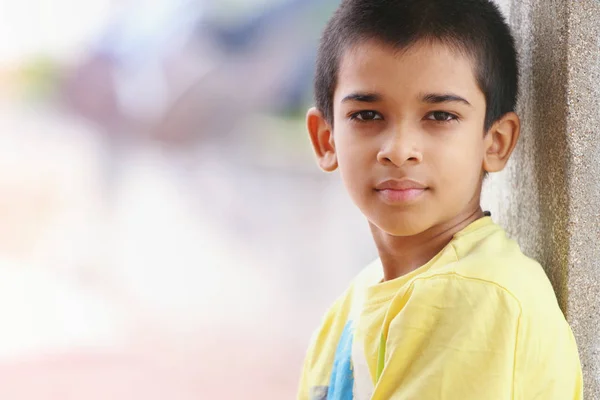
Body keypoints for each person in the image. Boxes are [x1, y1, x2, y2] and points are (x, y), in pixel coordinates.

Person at [297, 0, 583, 399]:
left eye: (440, 116)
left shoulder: (478, 297)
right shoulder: (352, 305)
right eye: (367, 115)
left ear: (495, 142)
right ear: (325, 139)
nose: (399, 150)